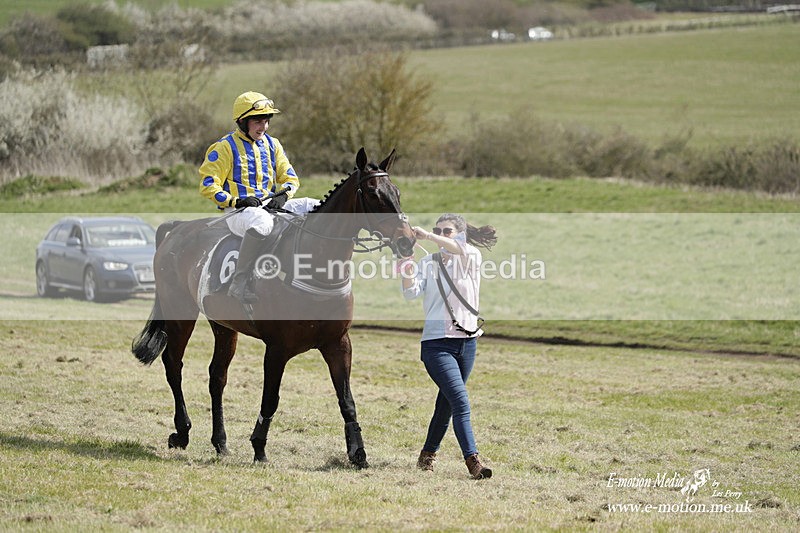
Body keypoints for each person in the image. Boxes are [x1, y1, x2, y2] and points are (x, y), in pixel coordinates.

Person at [399, 213, 498, 479]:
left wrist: (430, 236)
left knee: (446, 403)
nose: (441, 234)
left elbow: (457, 248)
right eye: (437, 229)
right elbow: (410, 292)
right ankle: (473, 461)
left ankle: (427, 455)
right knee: (460, 401)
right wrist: (405, 263)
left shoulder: (470, 257)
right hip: (436, 344)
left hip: (467, 343)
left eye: (447, 231)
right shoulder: (427, 262)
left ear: (460, 235)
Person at [199, 91, 317, 302]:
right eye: (257, 121)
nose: (263, 127)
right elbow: (208, 185)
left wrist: (284, 196)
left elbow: (291, 178)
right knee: (262, 222)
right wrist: (237, 200)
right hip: (238, 211)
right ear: (242, 122)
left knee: (315, 205)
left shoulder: (273, 144)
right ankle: (239, 282)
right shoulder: (224, 147)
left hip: (268, 206)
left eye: (266, 121)